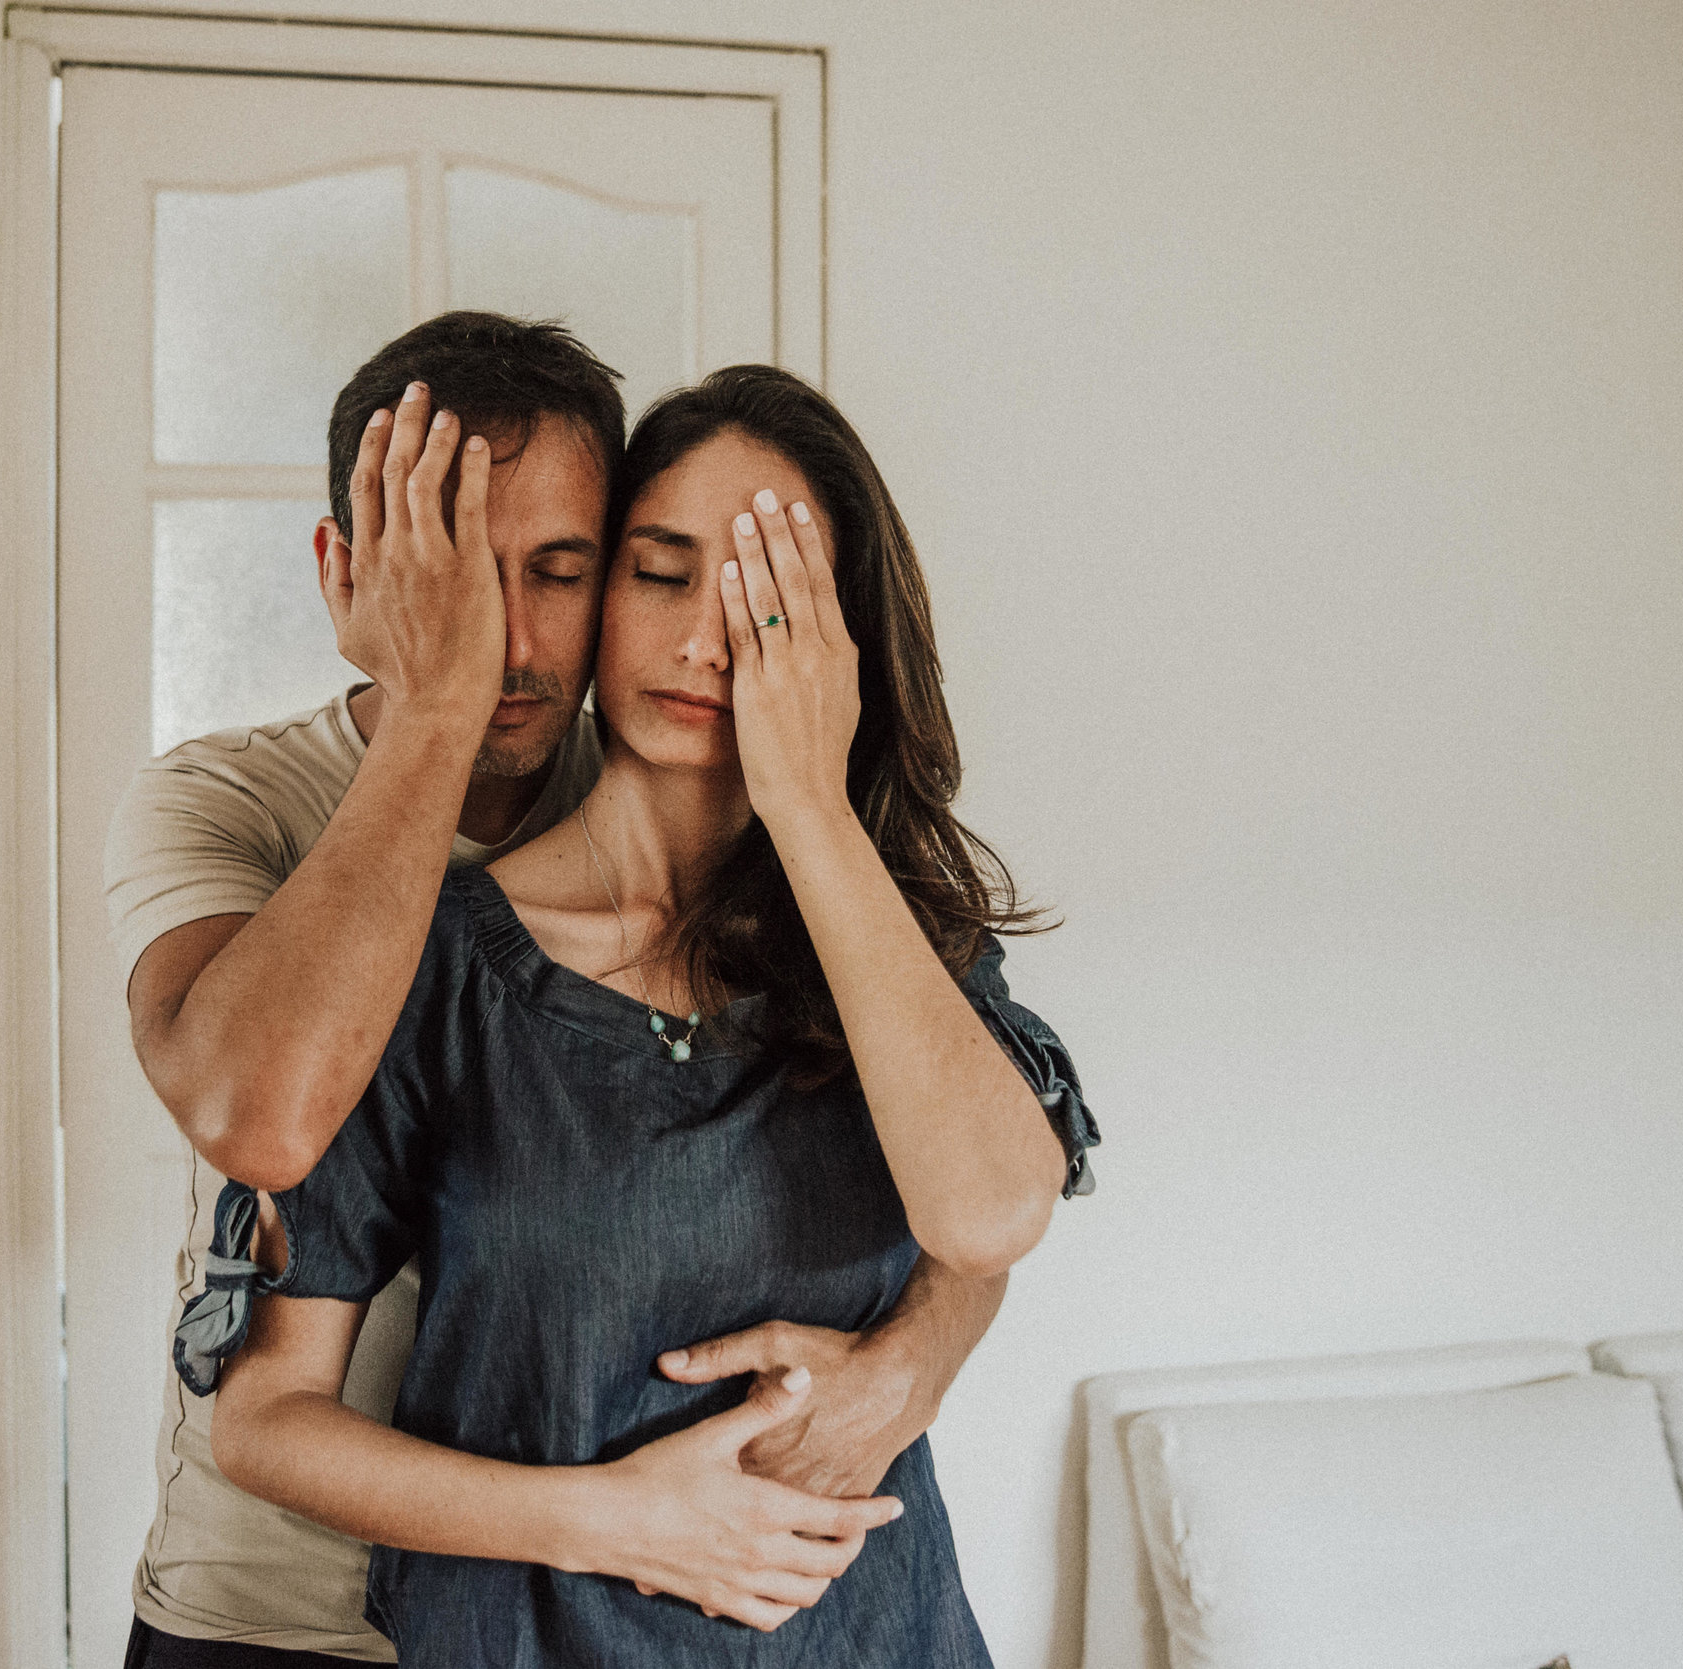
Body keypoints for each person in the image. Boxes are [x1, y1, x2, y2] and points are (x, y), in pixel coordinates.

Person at [107, 317, 1091, 1666]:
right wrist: (435, 700)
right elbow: (264, 1148)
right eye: (664, 572)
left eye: (560, 572)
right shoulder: (278, 834)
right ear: (346, 577)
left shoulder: (830, 883)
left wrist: (904, 1370)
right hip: (310, 1604)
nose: (509, 639)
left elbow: (983, 1217)